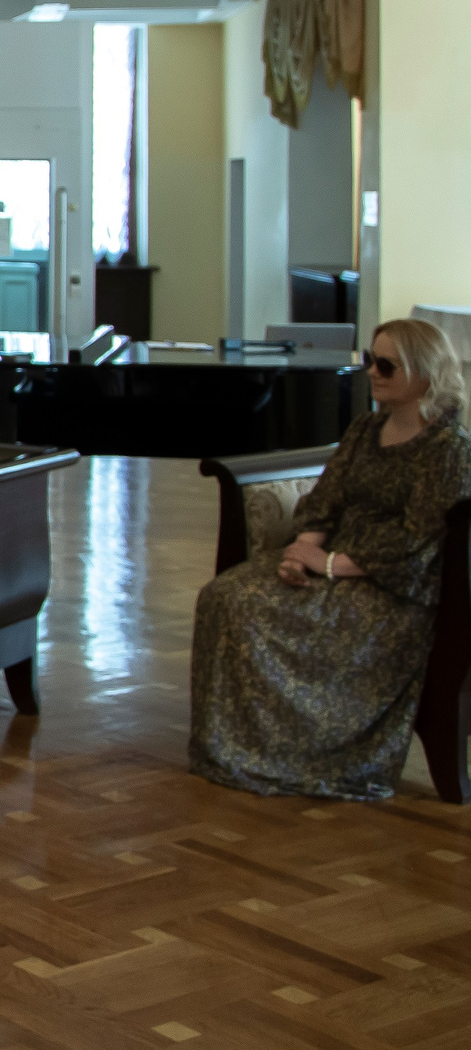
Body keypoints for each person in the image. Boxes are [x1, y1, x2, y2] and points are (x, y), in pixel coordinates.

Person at [191, 318, 471, 801]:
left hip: (392, 588)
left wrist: (329, 564)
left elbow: (416, 542)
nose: (373, 372)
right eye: (371, 360)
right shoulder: (366, 428)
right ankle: (232, 748)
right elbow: (326, 499)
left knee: (260, 612)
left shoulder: (449, 449)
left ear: (425, 374)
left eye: (387, 365)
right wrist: (301, 553)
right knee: (223, 596)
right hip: (332, 556)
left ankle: (295, 757)